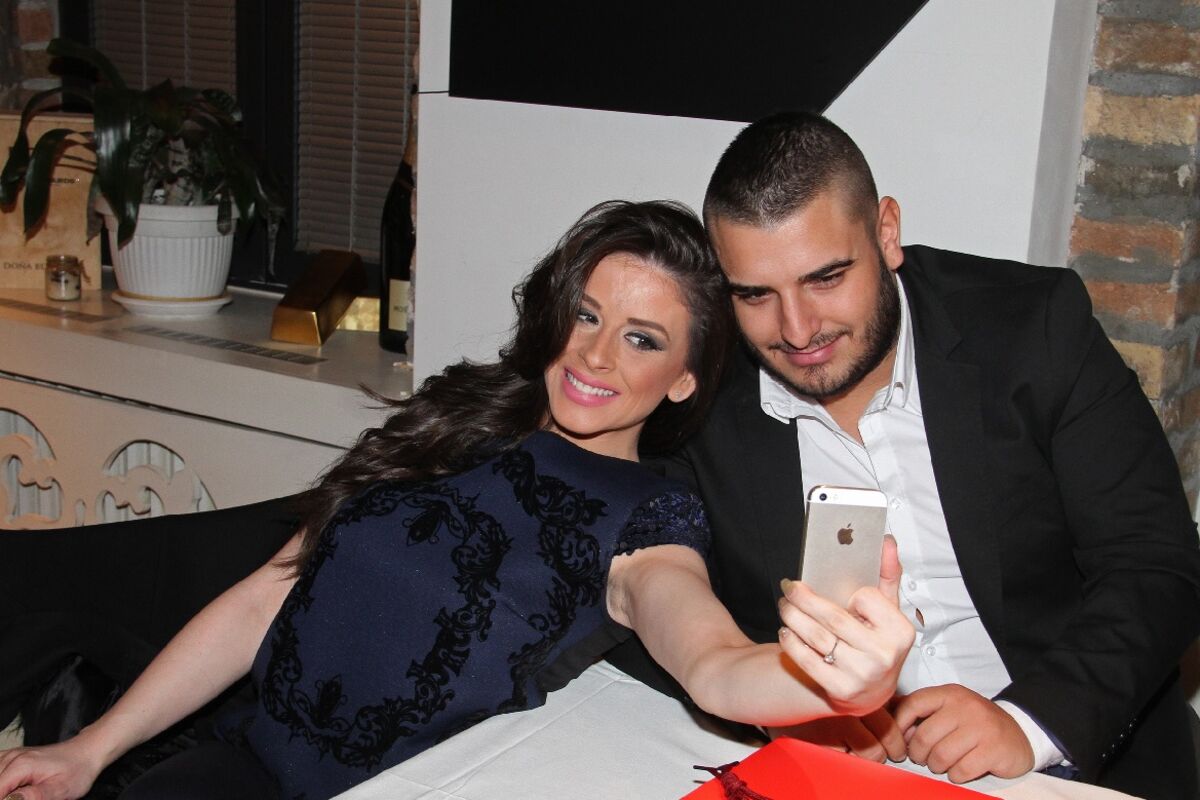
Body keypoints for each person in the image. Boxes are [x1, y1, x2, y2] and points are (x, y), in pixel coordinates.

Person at [0, 200, 914, 800]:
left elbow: (711, 663)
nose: (595, 356)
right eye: (587, 315)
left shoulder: (645, 517)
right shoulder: (460, 419)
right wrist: (92, 749)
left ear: (682, 380)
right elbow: (267, 596)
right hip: (234, 765)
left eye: (642, 339)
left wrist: (836, 677)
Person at [607, 112, 1200, 800]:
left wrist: (1029, 723)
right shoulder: (701, 395)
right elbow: (647, 594)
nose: (797, 329)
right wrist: (786, 705)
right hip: (838, 777)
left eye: (826, 278)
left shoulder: (1031, 328)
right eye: (756, 294)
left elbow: (1157, 564)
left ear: (886, 233)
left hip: (1070, 762)